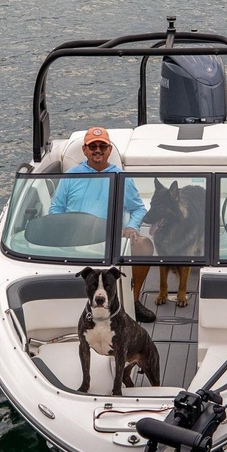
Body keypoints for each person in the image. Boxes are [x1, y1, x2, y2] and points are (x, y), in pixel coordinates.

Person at [49, 127, 156, 323]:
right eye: (92, 146)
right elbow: (56, 209)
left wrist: (131, 227)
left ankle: (132, 301)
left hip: (111, 239)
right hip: (76, 236)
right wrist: (64, 231)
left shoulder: (122, 177)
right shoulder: (71, 176)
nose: (97, 150)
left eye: (102, 146)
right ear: (85, 150)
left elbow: (138, 209)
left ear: (109, 150)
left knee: (144, 245)